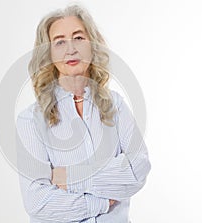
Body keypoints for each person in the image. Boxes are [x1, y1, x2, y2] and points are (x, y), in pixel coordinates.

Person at [16, 4, 151, 223]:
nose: (71, 49)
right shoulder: (30, 120)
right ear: (48, 53)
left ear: (92, 44)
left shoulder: (116, 106)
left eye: (78, 38)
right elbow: (37, 201)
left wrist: (68, 178)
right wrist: (101, 202)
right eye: (59, 41)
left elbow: (139, 169)